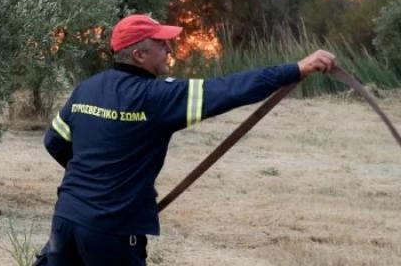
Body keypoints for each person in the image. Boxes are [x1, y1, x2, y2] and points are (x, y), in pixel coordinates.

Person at [39, 14, 336, 266]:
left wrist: (95, 178)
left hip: (65, 222)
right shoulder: (158, 97)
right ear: (139, 55)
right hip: (111, 231)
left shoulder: (86, 90)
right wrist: (296, 69)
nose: (169, 48)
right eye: (160, 43)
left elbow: (55, 141)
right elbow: (229, 89)